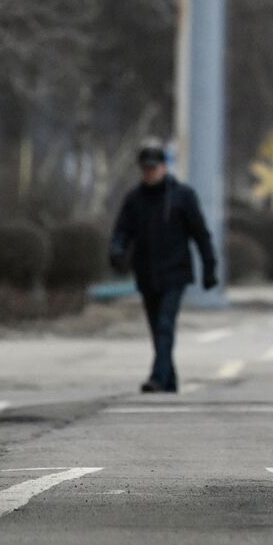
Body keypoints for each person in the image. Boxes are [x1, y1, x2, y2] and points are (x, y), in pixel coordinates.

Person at [109, 143, 218, 393]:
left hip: (175, 272)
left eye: (153, 168)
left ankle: (157, 378)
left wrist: (209, 266)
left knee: (165, 324)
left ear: (164, 167)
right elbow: (122, 231)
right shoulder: (134, 199)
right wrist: (116, 251)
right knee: (156, 328)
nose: (149, 173)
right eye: (145, 169)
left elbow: (200, 234)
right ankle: (169, 381)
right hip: (146, 273)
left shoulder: (182, 196)